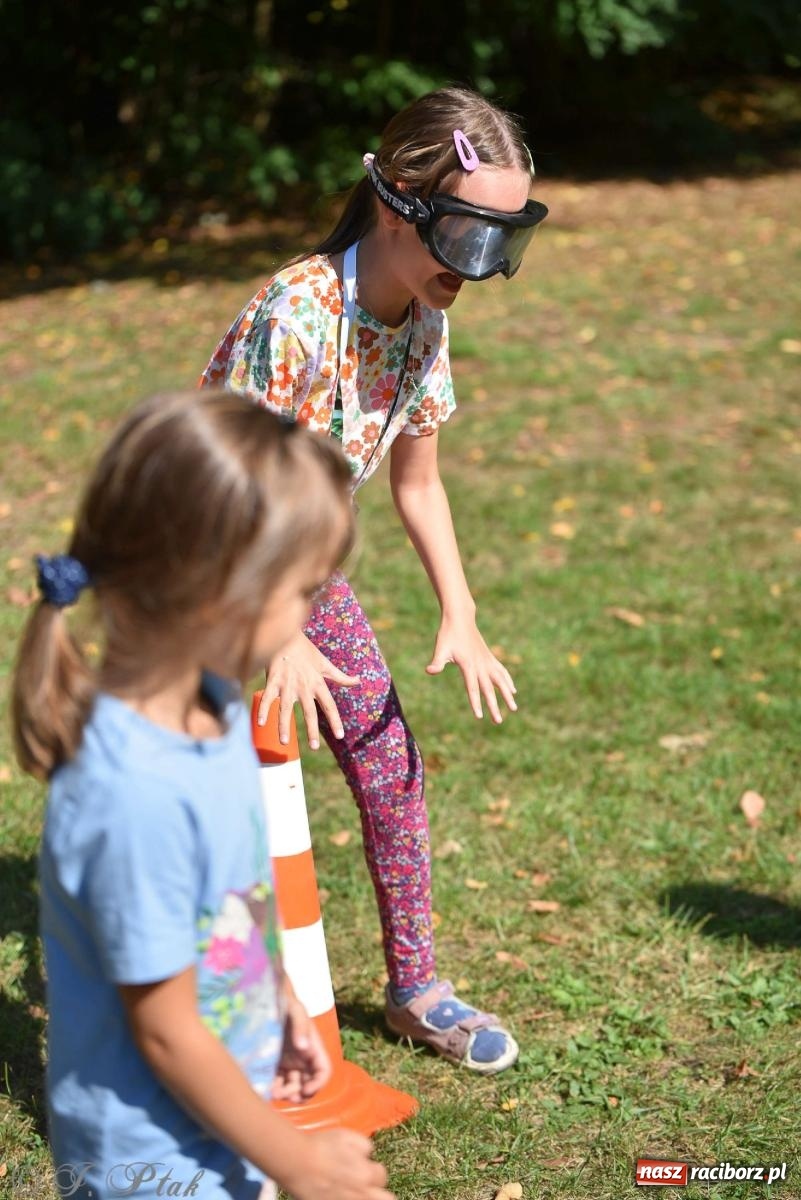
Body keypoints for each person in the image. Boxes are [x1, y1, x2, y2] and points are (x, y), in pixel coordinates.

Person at [201, 86, 548, 1074]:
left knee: (392, 764)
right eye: (466, 236)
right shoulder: (297, 309)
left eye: (501, 240)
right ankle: (212, 1013)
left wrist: (463, 612)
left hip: (300, 568)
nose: (479, 269)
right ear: (400, 201)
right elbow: (227, 492)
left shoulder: (425, 319)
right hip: (205, 560)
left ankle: (416, 989)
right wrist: (276, 633)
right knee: (220, 792)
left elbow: (420, 482)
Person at [11, 390, 395, 1200]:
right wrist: (298, 1160)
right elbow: (166, 1031)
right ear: (220, 592)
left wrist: (282, 1000)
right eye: (303, 592)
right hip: (149, 1167)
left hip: (225, 1120)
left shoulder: (214, 707)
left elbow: (231, 900)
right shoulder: (131, 794)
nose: (315, 613)